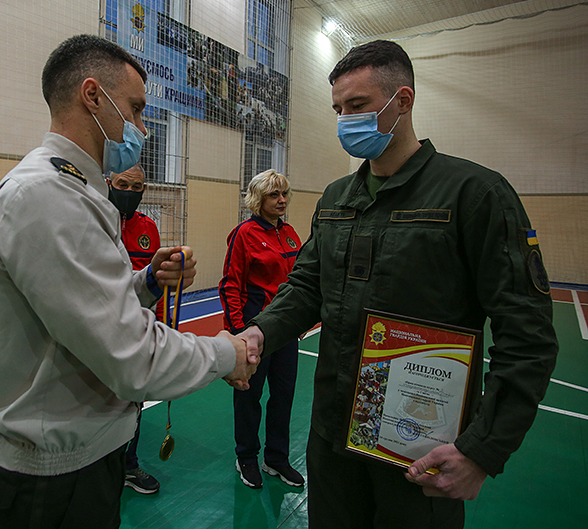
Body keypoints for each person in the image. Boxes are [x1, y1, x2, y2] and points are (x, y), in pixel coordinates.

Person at [239, 40, 558, 528]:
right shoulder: (335, 199)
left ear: (402, 100)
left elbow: (527, 335)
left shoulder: (474, 195)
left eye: (358, 105)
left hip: (418, 450)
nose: (345, 120)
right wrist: (259, 332)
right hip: (332, 437)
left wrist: (482, 450)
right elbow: (306, 287)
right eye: (339, 110)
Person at [0, 34, 257, 528]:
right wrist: (227, 352)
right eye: (137, 109)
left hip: (81, 458)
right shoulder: (47, 195)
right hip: (48, 481)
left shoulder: (75, 189)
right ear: (93, 96)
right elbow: (131, 357)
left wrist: (147, 282)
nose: (142, 128)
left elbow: (84, 307)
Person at [219, 169, 304, 489]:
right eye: (273, 194)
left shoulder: (290, 233)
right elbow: (230, 285)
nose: (282, 200)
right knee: (248, 397)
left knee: (284, 395)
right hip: (254, 328)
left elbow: (299, 282)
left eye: (284, 193)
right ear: (258, 199)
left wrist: (298, 319)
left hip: (285, 331)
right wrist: (239, 332)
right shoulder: (244, 234)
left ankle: (276, 458)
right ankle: (246, 457)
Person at [106, 164, 162, 494]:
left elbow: (155, 283)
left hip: (139, 331)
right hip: (100, 331)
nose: (129, 192)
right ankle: (98, 469)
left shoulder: (149, 228)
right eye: (123, 184)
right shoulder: (95, 220)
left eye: (137, 187)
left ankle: (129, 465)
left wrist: (160, 328)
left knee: (134, 402)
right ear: (108, 182)